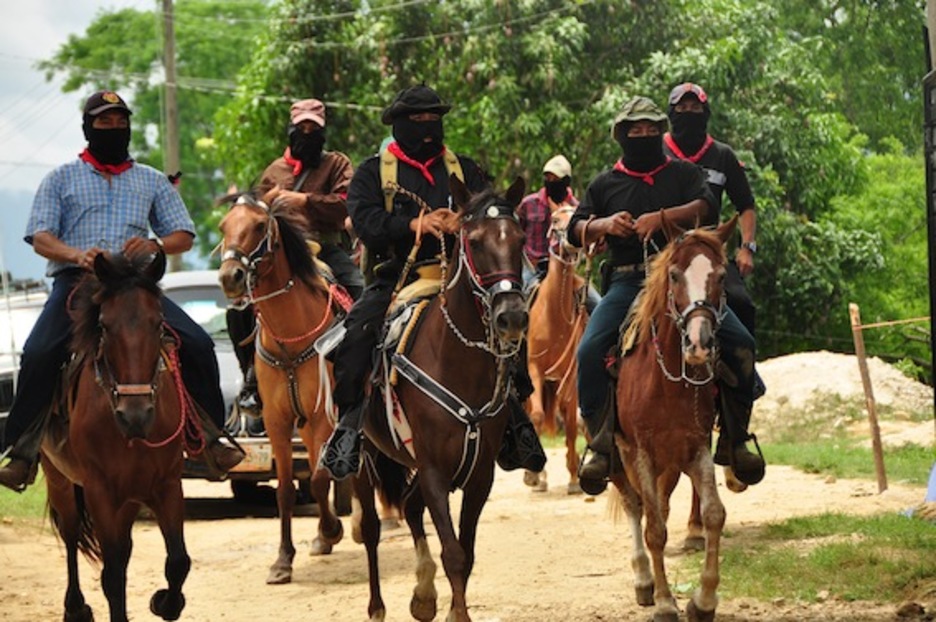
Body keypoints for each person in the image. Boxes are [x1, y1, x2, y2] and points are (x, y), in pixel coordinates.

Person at [0, 90, 243, 492]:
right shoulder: (60, 178)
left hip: (135, 285)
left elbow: (183, 235)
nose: (114, 128)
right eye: (104, 122)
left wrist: (155, 245)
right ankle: (22, 453)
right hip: (77, 283)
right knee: (40, 351)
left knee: (198, 344)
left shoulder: (151, 179)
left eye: (120, 122)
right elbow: (40, 237)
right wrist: (76, 254)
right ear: (88, 128)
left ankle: (210, 439)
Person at [319, 84, 546, 480]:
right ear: (398, 123)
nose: (426, 126)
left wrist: (465, 220)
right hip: (399, 275)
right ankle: (349, 428)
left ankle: (514, 418)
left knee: (511, 321)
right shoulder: (374, 171)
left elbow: (492, 212)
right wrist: (414, 224)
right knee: (357, 333)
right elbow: (365, 221)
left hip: (464, 277)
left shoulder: (466, 169)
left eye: (433, 119)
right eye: (417, 119)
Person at [568, 96, 764, 495]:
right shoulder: (605, 183)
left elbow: (708, 205)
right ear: (621, 135)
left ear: (661, 132)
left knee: (741, 343)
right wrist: (605, 224)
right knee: (589, 351)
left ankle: (735, 437)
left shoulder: (683, 172)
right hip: (628, 282)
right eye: (635, 130)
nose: (643, 135)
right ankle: (601, 444)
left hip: (683, 280)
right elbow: (576, 228)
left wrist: (661, 219)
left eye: (650, 129)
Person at [226, 98, 364, 418]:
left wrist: (303, 200)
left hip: (325, 247)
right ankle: (251, 378)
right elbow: (256, 217)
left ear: (323, 131)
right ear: (291, 128)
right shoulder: (273, 171)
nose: (307, 133)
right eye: (302, 127)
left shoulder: (337, 164)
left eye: (314, 128)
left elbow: (346, 203)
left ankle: (361, 372)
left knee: (359, 292)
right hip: (280, 253)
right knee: (240, 309)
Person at [664, 82, 767, 464]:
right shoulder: (657, 152)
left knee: (741, 306)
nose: (689, 114)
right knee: (616, 327)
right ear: (671, 113)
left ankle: (736, 432)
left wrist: (746, 246)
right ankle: (607, 433)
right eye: (682, 108)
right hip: (664, 257)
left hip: (709, 256)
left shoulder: (722, 155)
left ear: (706, 113)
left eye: (696, 108)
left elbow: (746, 205)